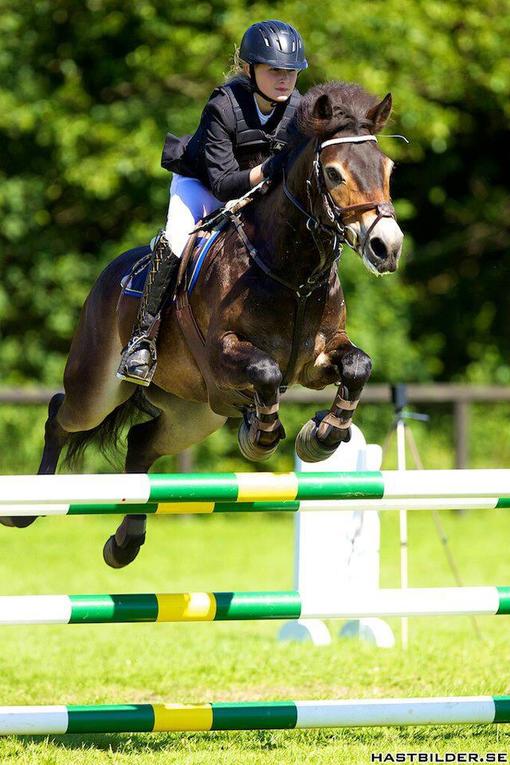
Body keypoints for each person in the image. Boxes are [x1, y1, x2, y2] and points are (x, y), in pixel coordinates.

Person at [117, 19, 308, 386]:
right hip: (202, 184)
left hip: (257, 190)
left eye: (292, 72)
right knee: (175, 241)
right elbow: (221, 184)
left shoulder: (297, 112)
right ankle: (141, 341)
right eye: (275, 71)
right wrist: (270, 169)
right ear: (249, 69)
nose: (285, 79)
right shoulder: (224, 106)